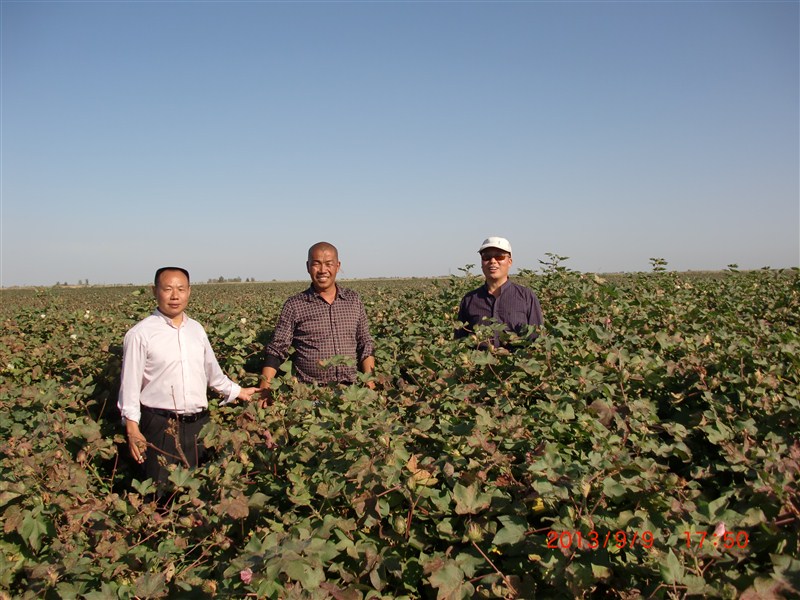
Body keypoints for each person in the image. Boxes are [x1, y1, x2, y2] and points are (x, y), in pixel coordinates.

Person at [118, 266, 258, 489]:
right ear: (154, 291)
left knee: (199, 494)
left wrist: (239, 392)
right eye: (168, 289)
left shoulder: (196, 329)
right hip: (160, 426)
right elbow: (130, 387)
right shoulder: (140, 334)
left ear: (189, 291)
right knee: (160, 494)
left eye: (181, 289)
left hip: (199, 427)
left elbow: (213, 374)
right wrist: (132, 429)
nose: (175, 296)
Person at [260, 242, 375, 390]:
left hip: (351, 390)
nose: (322, 270)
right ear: (308, 266)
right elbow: (277, 348)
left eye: (328, 264)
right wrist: (265, 387)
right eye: (316, 264)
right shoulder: (295, 305)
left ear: (337, 266)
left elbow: (365, 343)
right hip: (310, 392)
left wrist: (370, 381)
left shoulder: (353, 300)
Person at [455, 237, 543, 348]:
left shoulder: (526, 297)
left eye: (499, 256)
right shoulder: (469, 300)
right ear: (482, 262)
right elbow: (460, 343)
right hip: (480, 365)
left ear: (509, 262)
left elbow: (537, 339)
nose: (492, 261)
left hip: (517, 364)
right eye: (486, 257)